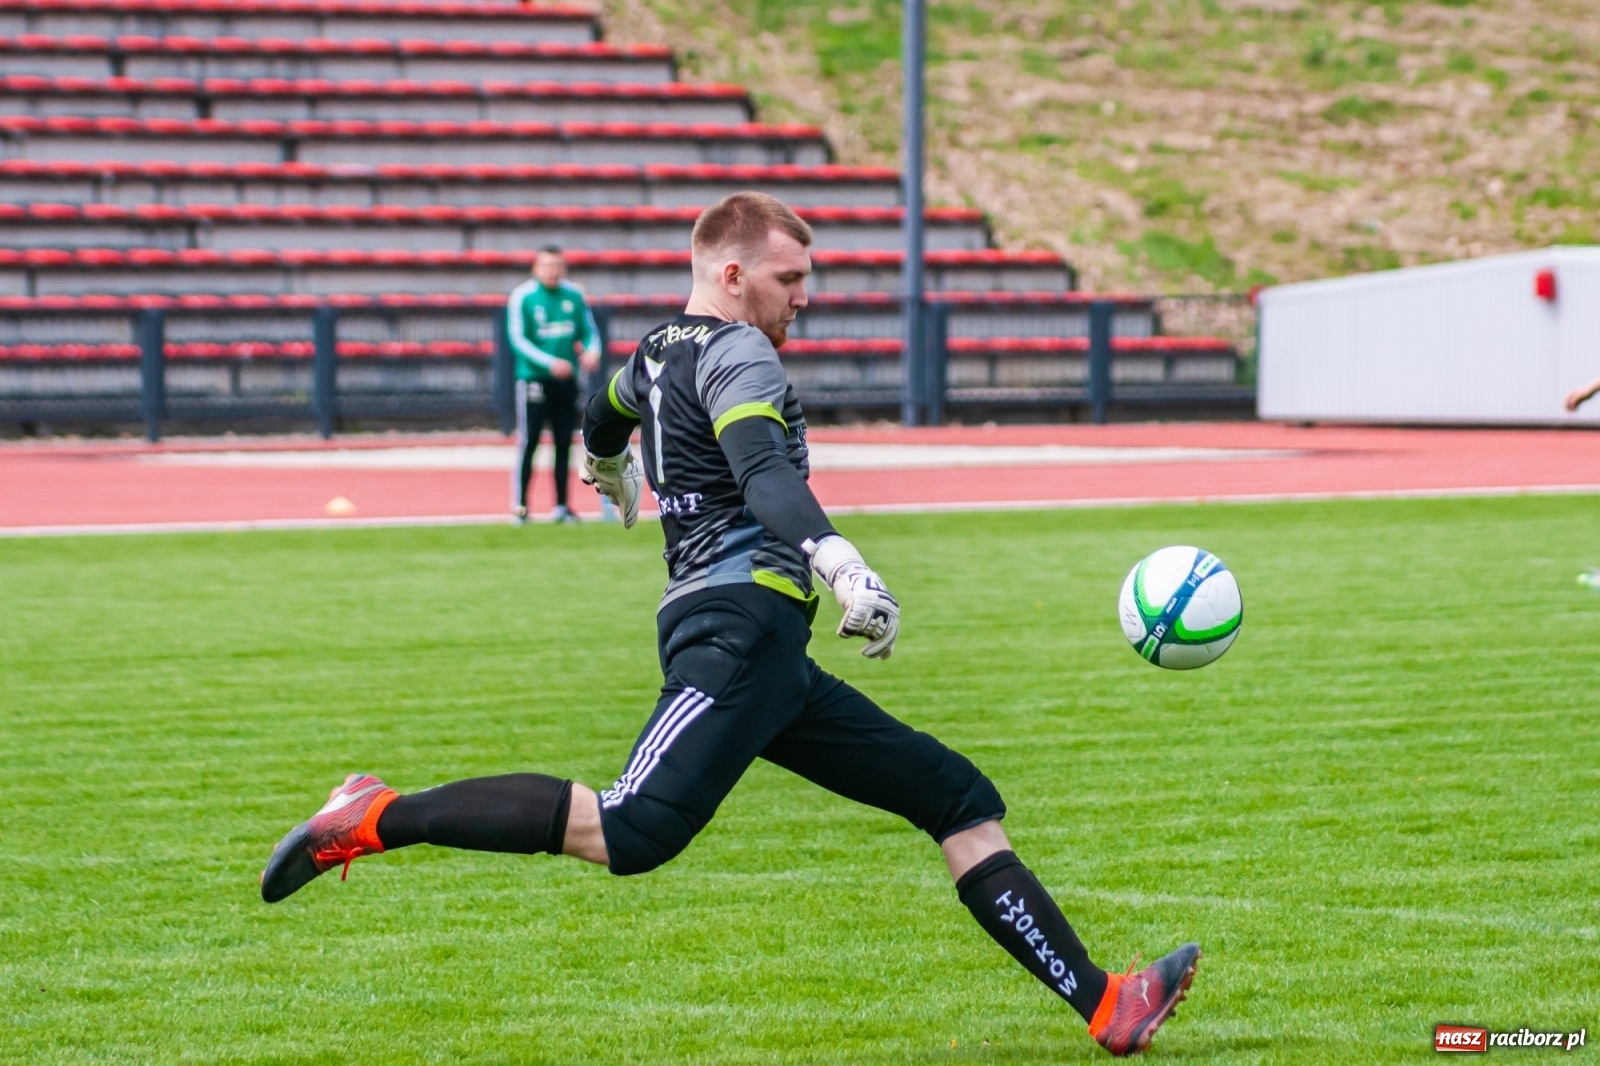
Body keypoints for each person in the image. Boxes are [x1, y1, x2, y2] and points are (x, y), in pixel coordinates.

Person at [260, 193, 1200, 1057]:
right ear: (733, 273)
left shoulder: (658, 348)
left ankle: (1107, 1005)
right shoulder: (739, 352)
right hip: (737, 627)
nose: (803, 299)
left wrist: (606, 463)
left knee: (956, 797)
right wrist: (839, 561)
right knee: (631, 830)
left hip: (772, 653)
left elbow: (605, 408)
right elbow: (763, 473)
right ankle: (373, 817)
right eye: (790, 279)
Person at [507, 245, 601, 523]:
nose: (552, 271)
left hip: (567, 381)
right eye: (547, 266)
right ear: (536, 269)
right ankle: (521, 506)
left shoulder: (574, 295)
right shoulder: (523, 297)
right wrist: (549, 362)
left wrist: (592, 350)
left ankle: (562, 506)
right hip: (534, 380)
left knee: (564, 442)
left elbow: (588, 331)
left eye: (557, 266)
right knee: (530, 441)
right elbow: (518, 339)